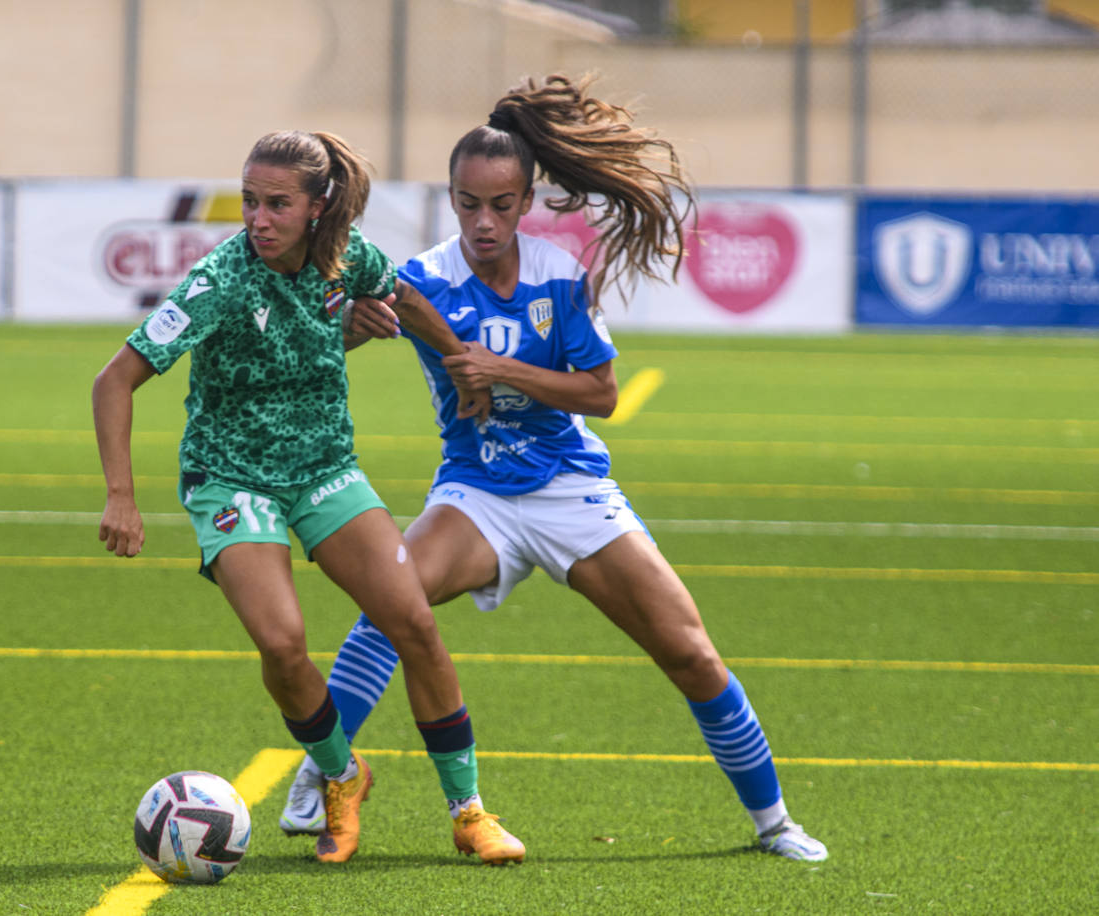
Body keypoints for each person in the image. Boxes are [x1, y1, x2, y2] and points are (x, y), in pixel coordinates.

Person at [276, 76, 828, 862]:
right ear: (451, 198)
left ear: (527, 201)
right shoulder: (422, 278)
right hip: (474, 493)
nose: (484, 221)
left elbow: (602, 393)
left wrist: (500, 369)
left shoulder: (559, 277)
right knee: (392, 602)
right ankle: (321, 773)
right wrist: (353, 327)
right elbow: (326, 343)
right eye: (469, 204)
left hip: (572, 489)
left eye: (502, 205)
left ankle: (774, 823)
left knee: (690, 651)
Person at [92, 129, 524, 865]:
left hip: (326, 469)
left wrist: (458, 362)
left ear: (317, 207)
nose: (258, 219)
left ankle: (469, 812)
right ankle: (341, 775)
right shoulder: (220, 280)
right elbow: (115, 380)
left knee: (413, 622)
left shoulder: (348, 257)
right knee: (283, 644)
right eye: (250, 202)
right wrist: (121, 496)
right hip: (233, 478)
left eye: (277, 205)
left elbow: (405, 299)